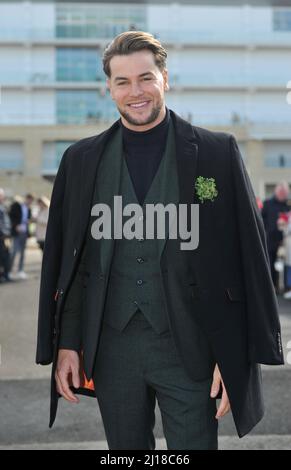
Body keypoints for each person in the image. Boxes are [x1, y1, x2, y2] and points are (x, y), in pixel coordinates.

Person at [36, 31, 283, 450]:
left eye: (146, 78)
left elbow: (248, 257)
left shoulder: (216, 152)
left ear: (165, 78)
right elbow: (73, 266)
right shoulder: (80, 161)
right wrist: (68, 344)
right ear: (108, 88)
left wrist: (235, 352)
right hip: (111, 350)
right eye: (123, 81)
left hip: (191, 347)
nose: (136, 91)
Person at [262, 182, 290, 293]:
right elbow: (261, 219)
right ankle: (273, 286)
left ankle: (286, 287)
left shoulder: (288, 205)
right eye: (281, 193)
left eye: (285, 193)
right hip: (271, 239)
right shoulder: (268, 203)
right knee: (271, 262)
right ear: (276, 192)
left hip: (285, 239)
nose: (283, 195)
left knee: (287, 264)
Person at [9, 193, 34, 280]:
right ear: (26, 198)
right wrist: (16, 225)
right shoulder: (17, 206)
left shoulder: (29, 209)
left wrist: (29, 221)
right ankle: (9, 271)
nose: (29, 202)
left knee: (23, 252)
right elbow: (11, 216)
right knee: (14, 251)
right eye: (29, 200)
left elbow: (29, 219)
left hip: (24, 233)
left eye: (31, 201)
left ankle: (20, 270)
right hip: (16, 232)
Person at [0, 188, 12, 283]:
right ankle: (4, 276)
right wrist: (4, 233)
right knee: (4, 256)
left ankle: (5, 275)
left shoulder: (2, 207)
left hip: (5, 237)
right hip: (2, 237)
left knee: (6, 256)